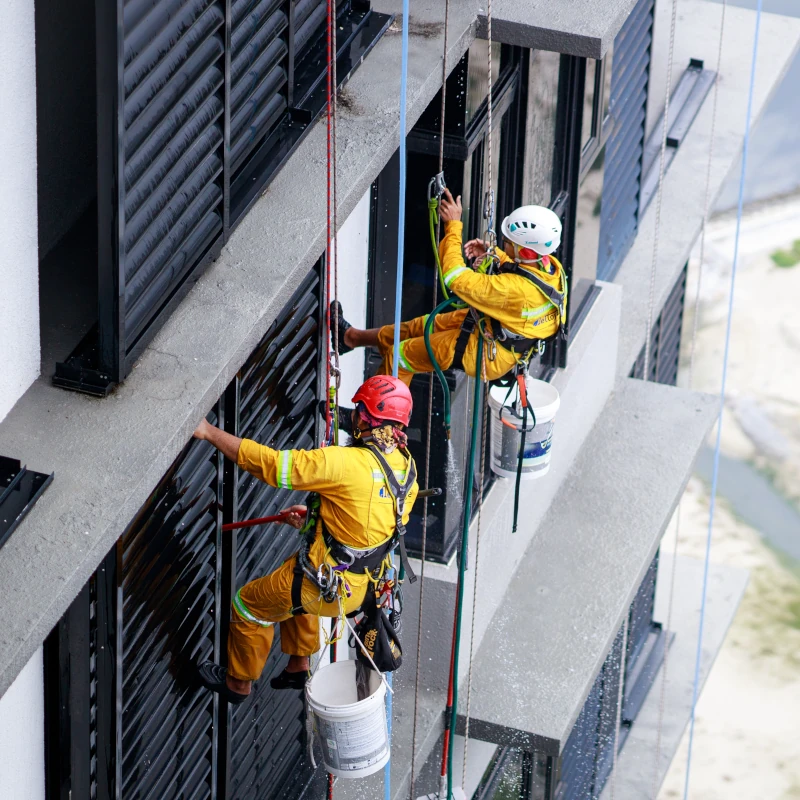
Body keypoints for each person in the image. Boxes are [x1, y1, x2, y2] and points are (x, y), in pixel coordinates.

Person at [195, 376, 418, 704]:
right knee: (296, 582)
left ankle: (237, 683)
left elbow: (273, 467)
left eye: (359, 411)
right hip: (357, 589)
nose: (353, 416)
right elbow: (369, 524)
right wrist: (318, 515)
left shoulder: (344, 462)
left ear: (367, 420)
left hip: (324, 585)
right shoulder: (406, 470)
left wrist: (207, 431)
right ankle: (299, 663)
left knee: (250, 604)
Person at [332, 188, 567, 386]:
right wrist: (495, 254)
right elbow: (525, 276)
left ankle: (371, 427)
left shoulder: (514, 291)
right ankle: (350, 338)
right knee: (419, 327)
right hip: (492, 330)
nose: (503, 245)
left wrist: (453, 226)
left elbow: (455, 278)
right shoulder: (551, 268)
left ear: (526, 252)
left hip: (484, 351)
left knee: (401, 357)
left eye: (507, 243)